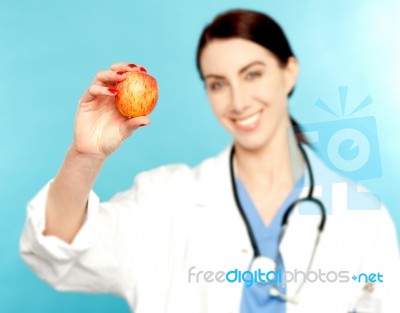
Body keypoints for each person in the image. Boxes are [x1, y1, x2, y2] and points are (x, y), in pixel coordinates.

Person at [20, 9, 399, 313]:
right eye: (218, 83)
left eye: (252, 74)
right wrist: (85, 155)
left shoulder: (362, 216)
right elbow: (58, 249)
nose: (237, 101)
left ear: (289, 72)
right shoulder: (164, 199)